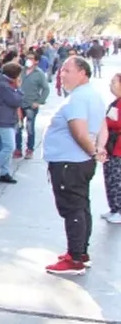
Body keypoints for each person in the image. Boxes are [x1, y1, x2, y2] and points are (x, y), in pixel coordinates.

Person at [43, 57, 105, 275]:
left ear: (82, 73)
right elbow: (102, 126)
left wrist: (93, 151)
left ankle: (75, 258)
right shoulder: (91, 96)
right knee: (81, 205)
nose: (62, 74)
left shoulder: (78, 99)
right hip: (78, 161)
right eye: (61, 71)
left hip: (70, 162)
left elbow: (79, 131)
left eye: (67, 70)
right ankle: (81, 251)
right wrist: (98, 149)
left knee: (73, 208)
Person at [0, 62, 23, 184]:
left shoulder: (5, 84)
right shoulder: (4, 86)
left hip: (8, 118)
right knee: (10, 146)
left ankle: (5, 172)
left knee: (6, 146)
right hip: (4, 119)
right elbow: (15, 101)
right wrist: (19, 89)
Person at [15, 53, 50, 160]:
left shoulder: (39, 73)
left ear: (36, 61)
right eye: (27, 58)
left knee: (30, 128)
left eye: (31, 58)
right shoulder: (21, 71)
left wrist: (39, 101)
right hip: (19, 104)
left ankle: (29, 150)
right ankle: (18, 149)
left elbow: (46, 89)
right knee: (17, 127)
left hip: (31, 105)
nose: (28, 60)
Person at [101, 74, 121, 225]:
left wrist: (106, 122)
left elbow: (115, 122)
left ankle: (119, 209)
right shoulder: (116, 102)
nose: (111, 85)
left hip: (118, 147)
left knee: (116, 179)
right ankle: (114, 207)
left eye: (114, 82)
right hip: (111, 145)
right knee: (110, 177)